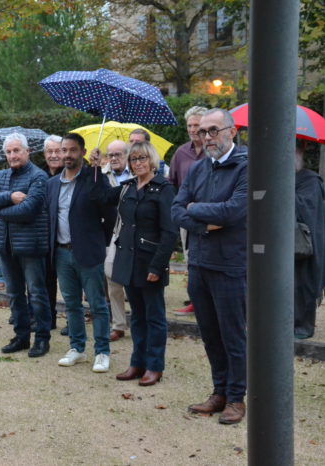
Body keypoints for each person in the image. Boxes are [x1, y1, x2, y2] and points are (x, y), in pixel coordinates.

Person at [171, 108, 248, 425]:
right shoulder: (199, 169)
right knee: (210, 335)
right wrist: (204, 224)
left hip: (230, 265)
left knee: (233, 336)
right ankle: (218, 391)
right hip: (200, 263)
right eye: (202, 132)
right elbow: (176, 209)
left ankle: (235, 397)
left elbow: (233, 211)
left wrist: (195, 209)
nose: (206, 137)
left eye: (213, 130)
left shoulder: (246, 166)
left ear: (232, 131)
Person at [99, 142, 178, 386]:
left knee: (154, 316)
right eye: (133, 159)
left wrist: (157, 266)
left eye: (142, 158)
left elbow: (170, 231)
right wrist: (95, 169)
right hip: (128, 259)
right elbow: (99, 197)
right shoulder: (127, 187)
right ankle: (137, 362)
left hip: (149, 260)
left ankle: (154, 366)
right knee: (137, 316)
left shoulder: (164, 188)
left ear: (151, 159)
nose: (138, 163)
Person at [0, 133, 51, 357]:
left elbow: (28, 211)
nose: (12, 155)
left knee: (37, 294)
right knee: (15, 294)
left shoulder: (39, 177)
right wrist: (10, 196)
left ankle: (42, 338)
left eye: (16, 150)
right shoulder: (1, 175)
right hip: (6, 246)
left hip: (31, 247)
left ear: (27, 152)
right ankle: (21, 336)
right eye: (8, 152)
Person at [48, 133, 116, 372]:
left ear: (83, 152)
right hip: (62, 254)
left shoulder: (93, 178)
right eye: (63, 150)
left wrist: (97, 170)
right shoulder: (53, 183)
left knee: (97, 304)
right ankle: (77, 347)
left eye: (72, 150)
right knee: (71, 303)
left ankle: (102, 351)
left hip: (88, 252)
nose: (66, 155)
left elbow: (108, 207)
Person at [169, 106, 208, 317]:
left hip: (213, 216)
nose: (193, 130)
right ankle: (195, 301)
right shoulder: (181, 153)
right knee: (190, 259)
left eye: (197, 125)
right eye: (190, 125)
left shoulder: (214, 152)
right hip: (187, 218)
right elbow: (172, 183)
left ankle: (207, 300)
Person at [101, 140, 132, 341]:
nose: (113, 158)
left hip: (133, 233)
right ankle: (118, 324)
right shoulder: (102, 175)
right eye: (110, 154)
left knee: (134, 280)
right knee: (112, 278)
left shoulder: (138, 173)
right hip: (110, 233)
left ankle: (138, 322)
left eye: (118, 154)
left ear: (127, 155)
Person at [294, 143, 325, 339]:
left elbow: (306, 209)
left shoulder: (310, 180)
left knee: (302, 285)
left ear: (301, 152)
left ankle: (302, 327)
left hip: (305, 244)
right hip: (279, 243)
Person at [43, 135, 64, 330]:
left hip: (66, 237)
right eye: (50, 151)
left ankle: (74, 321)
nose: (54, 155)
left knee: (70, 284)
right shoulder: (40, 176)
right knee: (47, 280)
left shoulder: (71, 174)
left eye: (58, 151)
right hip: (45, 238)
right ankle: (49, 317)